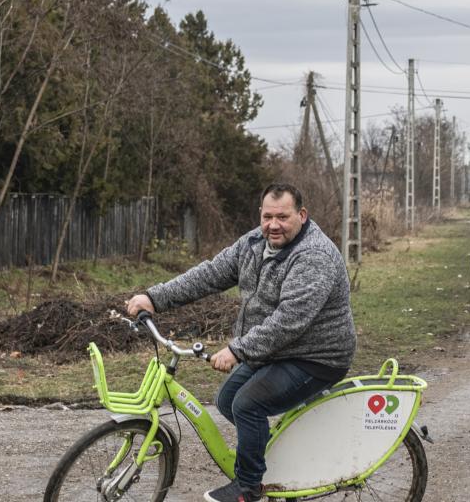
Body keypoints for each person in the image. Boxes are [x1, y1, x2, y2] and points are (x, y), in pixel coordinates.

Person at [125, 183, 354, 502]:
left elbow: (289, 320)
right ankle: (272, 460)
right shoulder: (253, 243)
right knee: (227, 400)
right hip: (279, 350)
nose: (274, 225)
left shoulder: (313, 256)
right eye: (267, 216)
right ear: (260, 215)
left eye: (283, 217)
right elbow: (209, 275)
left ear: (301, 215)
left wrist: (238, 350)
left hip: (317, 357)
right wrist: (154, 297)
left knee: (248, 404)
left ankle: (248, 487)